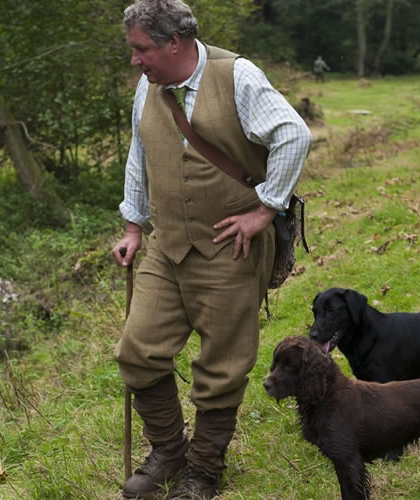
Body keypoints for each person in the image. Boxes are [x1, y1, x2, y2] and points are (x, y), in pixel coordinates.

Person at [111, 0, 312, 498]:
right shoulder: (147, 86)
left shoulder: (237, 76)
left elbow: (293, 134)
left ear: (172, 43)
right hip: (166, 245)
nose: (134, 60)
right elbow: (141, 152)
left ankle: (203, 470)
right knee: (138, 351)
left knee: (221, 367)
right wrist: (134, 226)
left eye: (141, 50)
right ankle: (168, 452)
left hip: (230, 246)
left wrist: (265, 209)